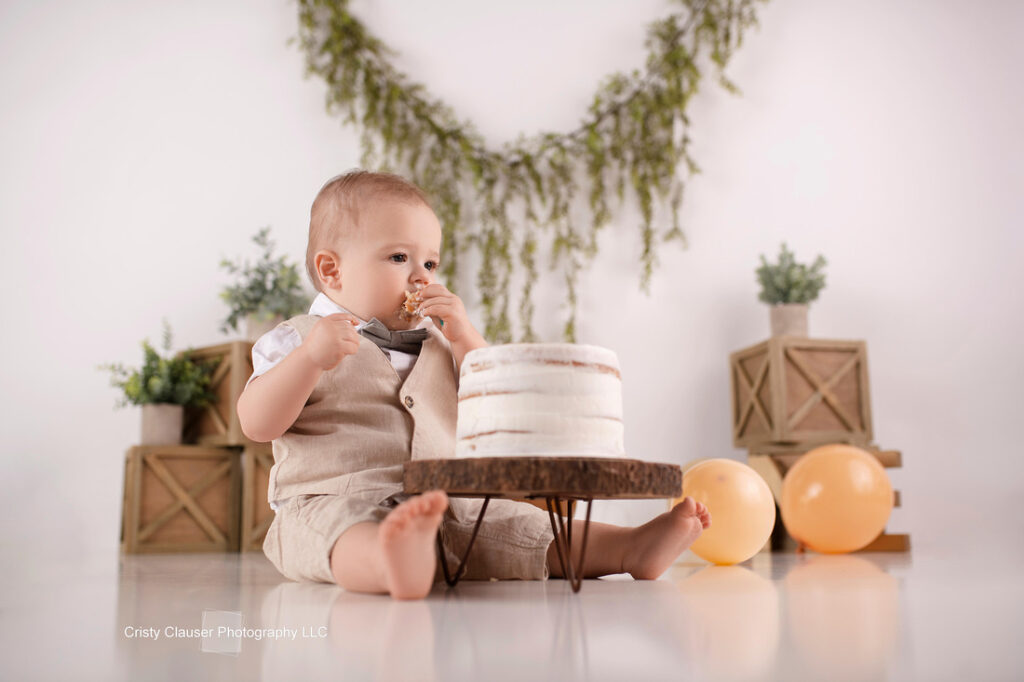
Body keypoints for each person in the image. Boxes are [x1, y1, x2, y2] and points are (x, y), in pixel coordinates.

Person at [237, 170, 711, 600]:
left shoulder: (440, 343)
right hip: (331, 501)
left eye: (431, 263)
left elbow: (494, 396)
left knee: (520, 526)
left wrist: (463, 333)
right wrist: (309, 361)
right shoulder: (297, 340)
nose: (420, 276)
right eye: (399, 257)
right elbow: (257, 423)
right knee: (342, 534)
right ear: (331, 270)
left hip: (447, 505)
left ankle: (629, 548)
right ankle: (390, 560)